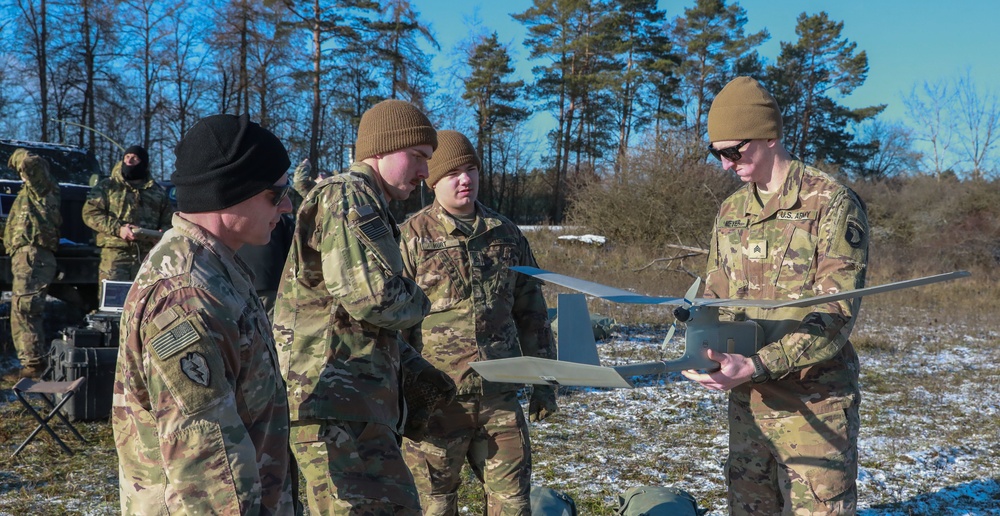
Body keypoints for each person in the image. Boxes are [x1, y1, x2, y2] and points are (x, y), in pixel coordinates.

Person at [681, 76, 869, 515]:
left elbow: (835, 313)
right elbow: (714, 292)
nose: (726, 164)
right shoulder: (730, 212)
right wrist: (696, 339)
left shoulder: (831, 203)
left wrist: (759, 364)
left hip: (813, 404)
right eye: (716, 154)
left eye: (733, 151)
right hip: (748, 403)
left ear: (768, 135)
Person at [273, 99, 456, 515]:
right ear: (382, 149)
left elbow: (353, 311)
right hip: (334, 400)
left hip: (352, 400)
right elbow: (371, 296)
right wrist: (423, 301)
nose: (427, 173)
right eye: (418, 157)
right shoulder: (347, 195)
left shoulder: (365, 201)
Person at [112, 114, 297, 514]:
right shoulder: (189, 293)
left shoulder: (215, 267)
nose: (286, 205)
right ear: (232, 191)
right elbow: (209, 476)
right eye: (276, 192)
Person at [398, 130, 558, 515]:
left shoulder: (507, 234)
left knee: (513, 503)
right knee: (434, 506)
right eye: (453, 173)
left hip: (499, 397)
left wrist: (545, 382)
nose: (464, 179)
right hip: (436, 398)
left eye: (471, 169)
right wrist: (397, 395)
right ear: (432, 180)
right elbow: (395, 324)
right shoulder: (411, 237)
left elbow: (532, 311)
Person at [82, 145, 173, 300]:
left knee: (143, 303)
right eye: (126, 157)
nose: (129, 160)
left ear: (144, 163)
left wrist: (159, 235)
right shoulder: (108, 186)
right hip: (115, 255)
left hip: (146, 258)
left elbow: (169, 222)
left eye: (135, 158)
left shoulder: (157, 192)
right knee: (112, 304)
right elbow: (90, 214)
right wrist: (119, 229)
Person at [3, 149, 61, 379]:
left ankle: (34, 366)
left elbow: (29, 161)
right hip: (27, 255)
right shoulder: (28, 196)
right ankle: (32, 363)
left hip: (33, 255)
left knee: (26, 310)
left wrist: (12, 157)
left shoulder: (43, 187)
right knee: (22, 309)